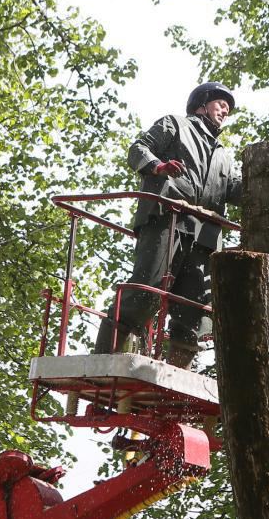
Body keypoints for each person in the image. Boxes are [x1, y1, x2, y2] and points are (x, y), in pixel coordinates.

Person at [93, 82, 242, 368]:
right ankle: (105, 361)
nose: (225, 110)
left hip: (205, 236)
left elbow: (235, 188)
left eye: (228, 108)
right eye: (221, 103)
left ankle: (175, 381)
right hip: (166, 217)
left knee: (195, 310)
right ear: (202, 102)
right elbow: (139, 148)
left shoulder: (223, 155)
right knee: (145, 292)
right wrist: (157, 167)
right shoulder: (175, 125)